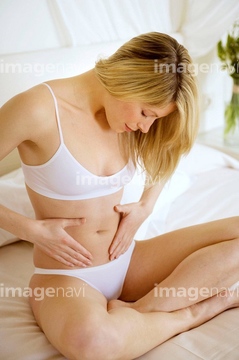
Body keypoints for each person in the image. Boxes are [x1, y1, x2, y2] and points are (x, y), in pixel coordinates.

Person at [0, 32, 239, 360]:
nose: (145, 128)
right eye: (146, 113)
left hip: (129, 261)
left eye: (155, 118)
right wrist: (30, 230)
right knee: (95, 344)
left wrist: (146, 205)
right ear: (132, 78)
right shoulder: (38, 109)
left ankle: (146, 308)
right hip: (67, 277)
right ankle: (190, 314)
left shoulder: (128, 119)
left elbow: (170, 152)